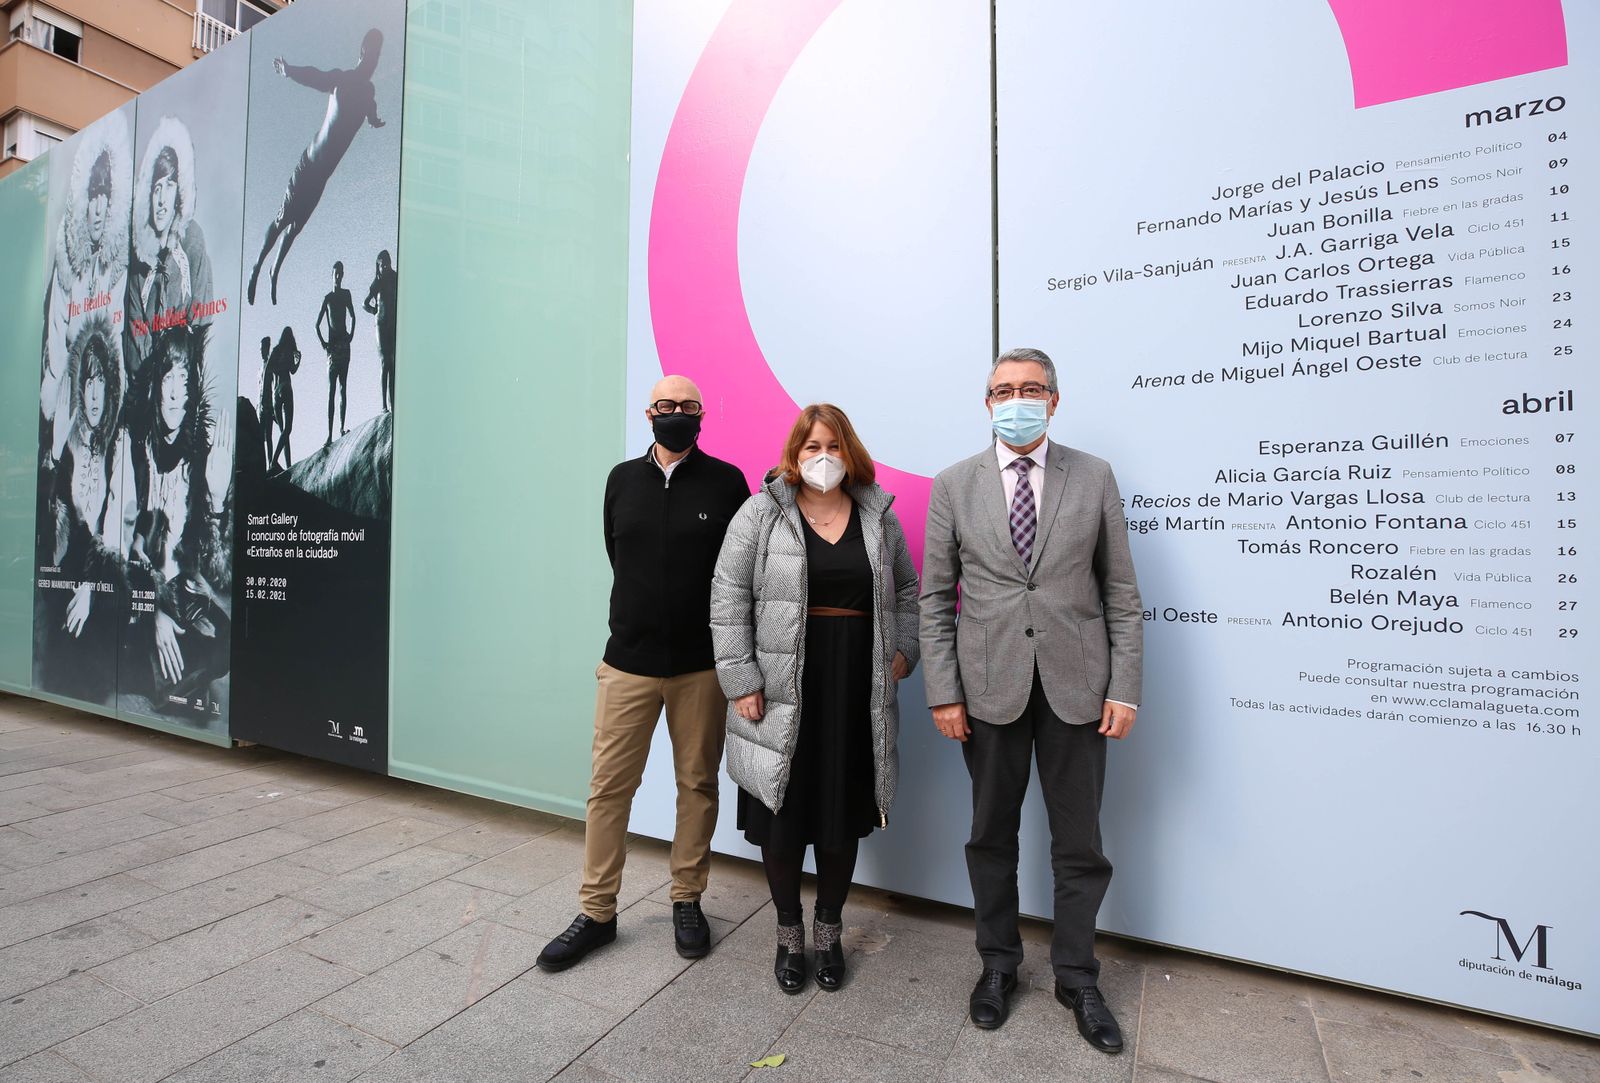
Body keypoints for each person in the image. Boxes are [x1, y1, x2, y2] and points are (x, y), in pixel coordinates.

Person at [920, 347, 1142, 1052]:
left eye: (1030, 388)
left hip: (1078, 688)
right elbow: (932, 599)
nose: (1016, 398)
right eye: (1003, 389)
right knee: (991, 836)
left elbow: (1122, 595)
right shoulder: (954, 484)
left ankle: (1077, 976)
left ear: (1054, 398)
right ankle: (998, 966)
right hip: (987, 691)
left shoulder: (1095, 476)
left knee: (1080, 844)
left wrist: (1125, 687)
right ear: (987, 403)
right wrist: (943, 692)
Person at [537, 376, 750, 973]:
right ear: (648, 413)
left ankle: (687, 898)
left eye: (687, 407)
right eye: (665, 406)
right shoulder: (621, 480)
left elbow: (736, 573)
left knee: (697, 785)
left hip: (699, 667)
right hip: (627, 662)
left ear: (702, 415)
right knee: (609, 789)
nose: (675, 415)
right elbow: (618, 552)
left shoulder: (727, 482)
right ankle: (597, 912)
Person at [710, 404, 920, 994]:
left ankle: (827, 934)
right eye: (810, 447)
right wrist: (741, 679)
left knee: (840, 818)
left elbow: (907, 588)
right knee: (785, 819)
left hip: (856, 688)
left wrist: (905, 649)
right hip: (781, 690)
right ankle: (788, 936)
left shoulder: (877, 516)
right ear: (793, 456)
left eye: (832, 445)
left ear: (849, 451)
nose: (822, 457)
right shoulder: (762, 513)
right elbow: (727, 597)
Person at [124, 327, 232, 716]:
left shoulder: (196, 464)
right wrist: (155, 610)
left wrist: (217, 500)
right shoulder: (136, 452)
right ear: (156, 385)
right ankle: (162, 675)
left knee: (226, 641)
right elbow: (123, 552)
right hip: (139, 591)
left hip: (178, 590)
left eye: (183, 380)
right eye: (167, 377)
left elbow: (216, 574)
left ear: (192, 390)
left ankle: (170, 676)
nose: (174, 392)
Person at [246, 27, 387, 306]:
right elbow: (315, 75)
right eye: (372, 55)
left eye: (379, 57)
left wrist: (373, 120)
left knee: (295, 228)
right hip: (309, 165)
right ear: (362, 53)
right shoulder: (342, 80)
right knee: (282, 220)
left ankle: (275, 269)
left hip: (321, 178)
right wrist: (290, 71)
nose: (375, 62)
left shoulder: (368, 92)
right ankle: (257, 266)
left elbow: (370, 108)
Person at [38, 318, 129, 703]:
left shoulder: (118, 445)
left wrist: (93, 586)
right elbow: (48, 539)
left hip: (104, 577)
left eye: (102, 383)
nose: (95, 395)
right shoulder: (67, 444)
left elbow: (117, 534)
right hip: (67, 573)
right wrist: (55, 457)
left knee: (91, 658)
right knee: (63, 662)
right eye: (88, 383)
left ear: (111, 388)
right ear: (80, 388)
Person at [316, 262, 355, 445]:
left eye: (340, 273)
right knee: (332, 391)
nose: (338, 276)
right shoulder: (328, 298)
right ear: (331, 275)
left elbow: (353, 316)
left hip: (343, 346)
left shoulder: (346, 295)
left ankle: (340, 428)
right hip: (332, 349)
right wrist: (324, 344)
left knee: (343, 387)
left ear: (343, 274)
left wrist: (351, 336)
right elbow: (317, 324)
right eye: (336, 274)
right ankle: (330, 434)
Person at [363, 250, 397, 412]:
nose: (385, 266)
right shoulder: (378, 282)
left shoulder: (396, 278)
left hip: (393, 324)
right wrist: (373, 310)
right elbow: (365, 303)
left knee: (393, 362)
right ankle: (384, 404)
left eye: (387, 263)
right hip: (381, 325)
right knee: (385, 362)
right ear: (378, 266)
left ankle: (393, 402)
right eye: (382, 265)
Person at [266, 327, 301, 471]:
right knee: (287, 429)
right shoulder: (289, 351)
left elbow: (268, 369)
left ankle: (287, 465)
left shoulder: (276, 350)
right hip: (286, 387)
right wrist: (298, 361)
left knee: (283, 432)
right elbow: (292, 371)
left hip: (276, 393)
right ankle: (276, 461)